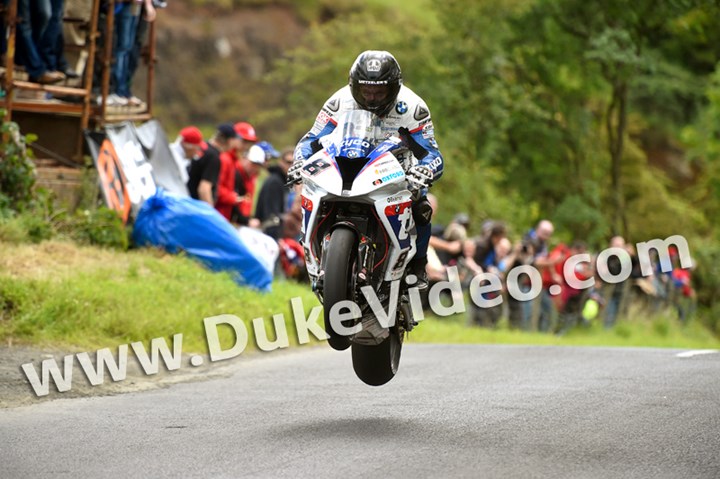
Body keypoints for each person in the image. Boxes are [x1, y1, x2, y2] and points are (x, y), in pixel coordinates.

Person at [288, 50, 444, 289]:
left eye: (379, 92)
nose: (371, 98)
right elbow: (310, 140)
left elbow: (432, 153)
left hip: (396, 171)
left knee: (422, 208)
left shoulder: (412, 107)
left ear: (394, 88)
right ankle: (315, 257)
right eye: (365, 91)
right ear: (354, 87)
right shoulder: (339, 102)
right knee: (310, 194)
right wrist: (299, 161)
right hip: (346, 165)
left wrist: (425, 170)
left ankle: (418, 266)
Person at [187, 123, 238, 206]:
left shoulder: (203, 147)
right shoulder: (214, 158)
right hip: (194, 206)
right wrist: (210, 214)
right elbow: (204, 189)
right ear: (229, 140)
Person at [255, 148, 294, 240]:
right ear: (281, 162)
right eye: (288, 162)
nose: (291, 166)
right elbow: (271, 217)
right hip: (268, 234)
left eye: (294, 163)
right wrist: (276, 238)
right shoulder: (275, 182)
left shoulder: (282, 181)